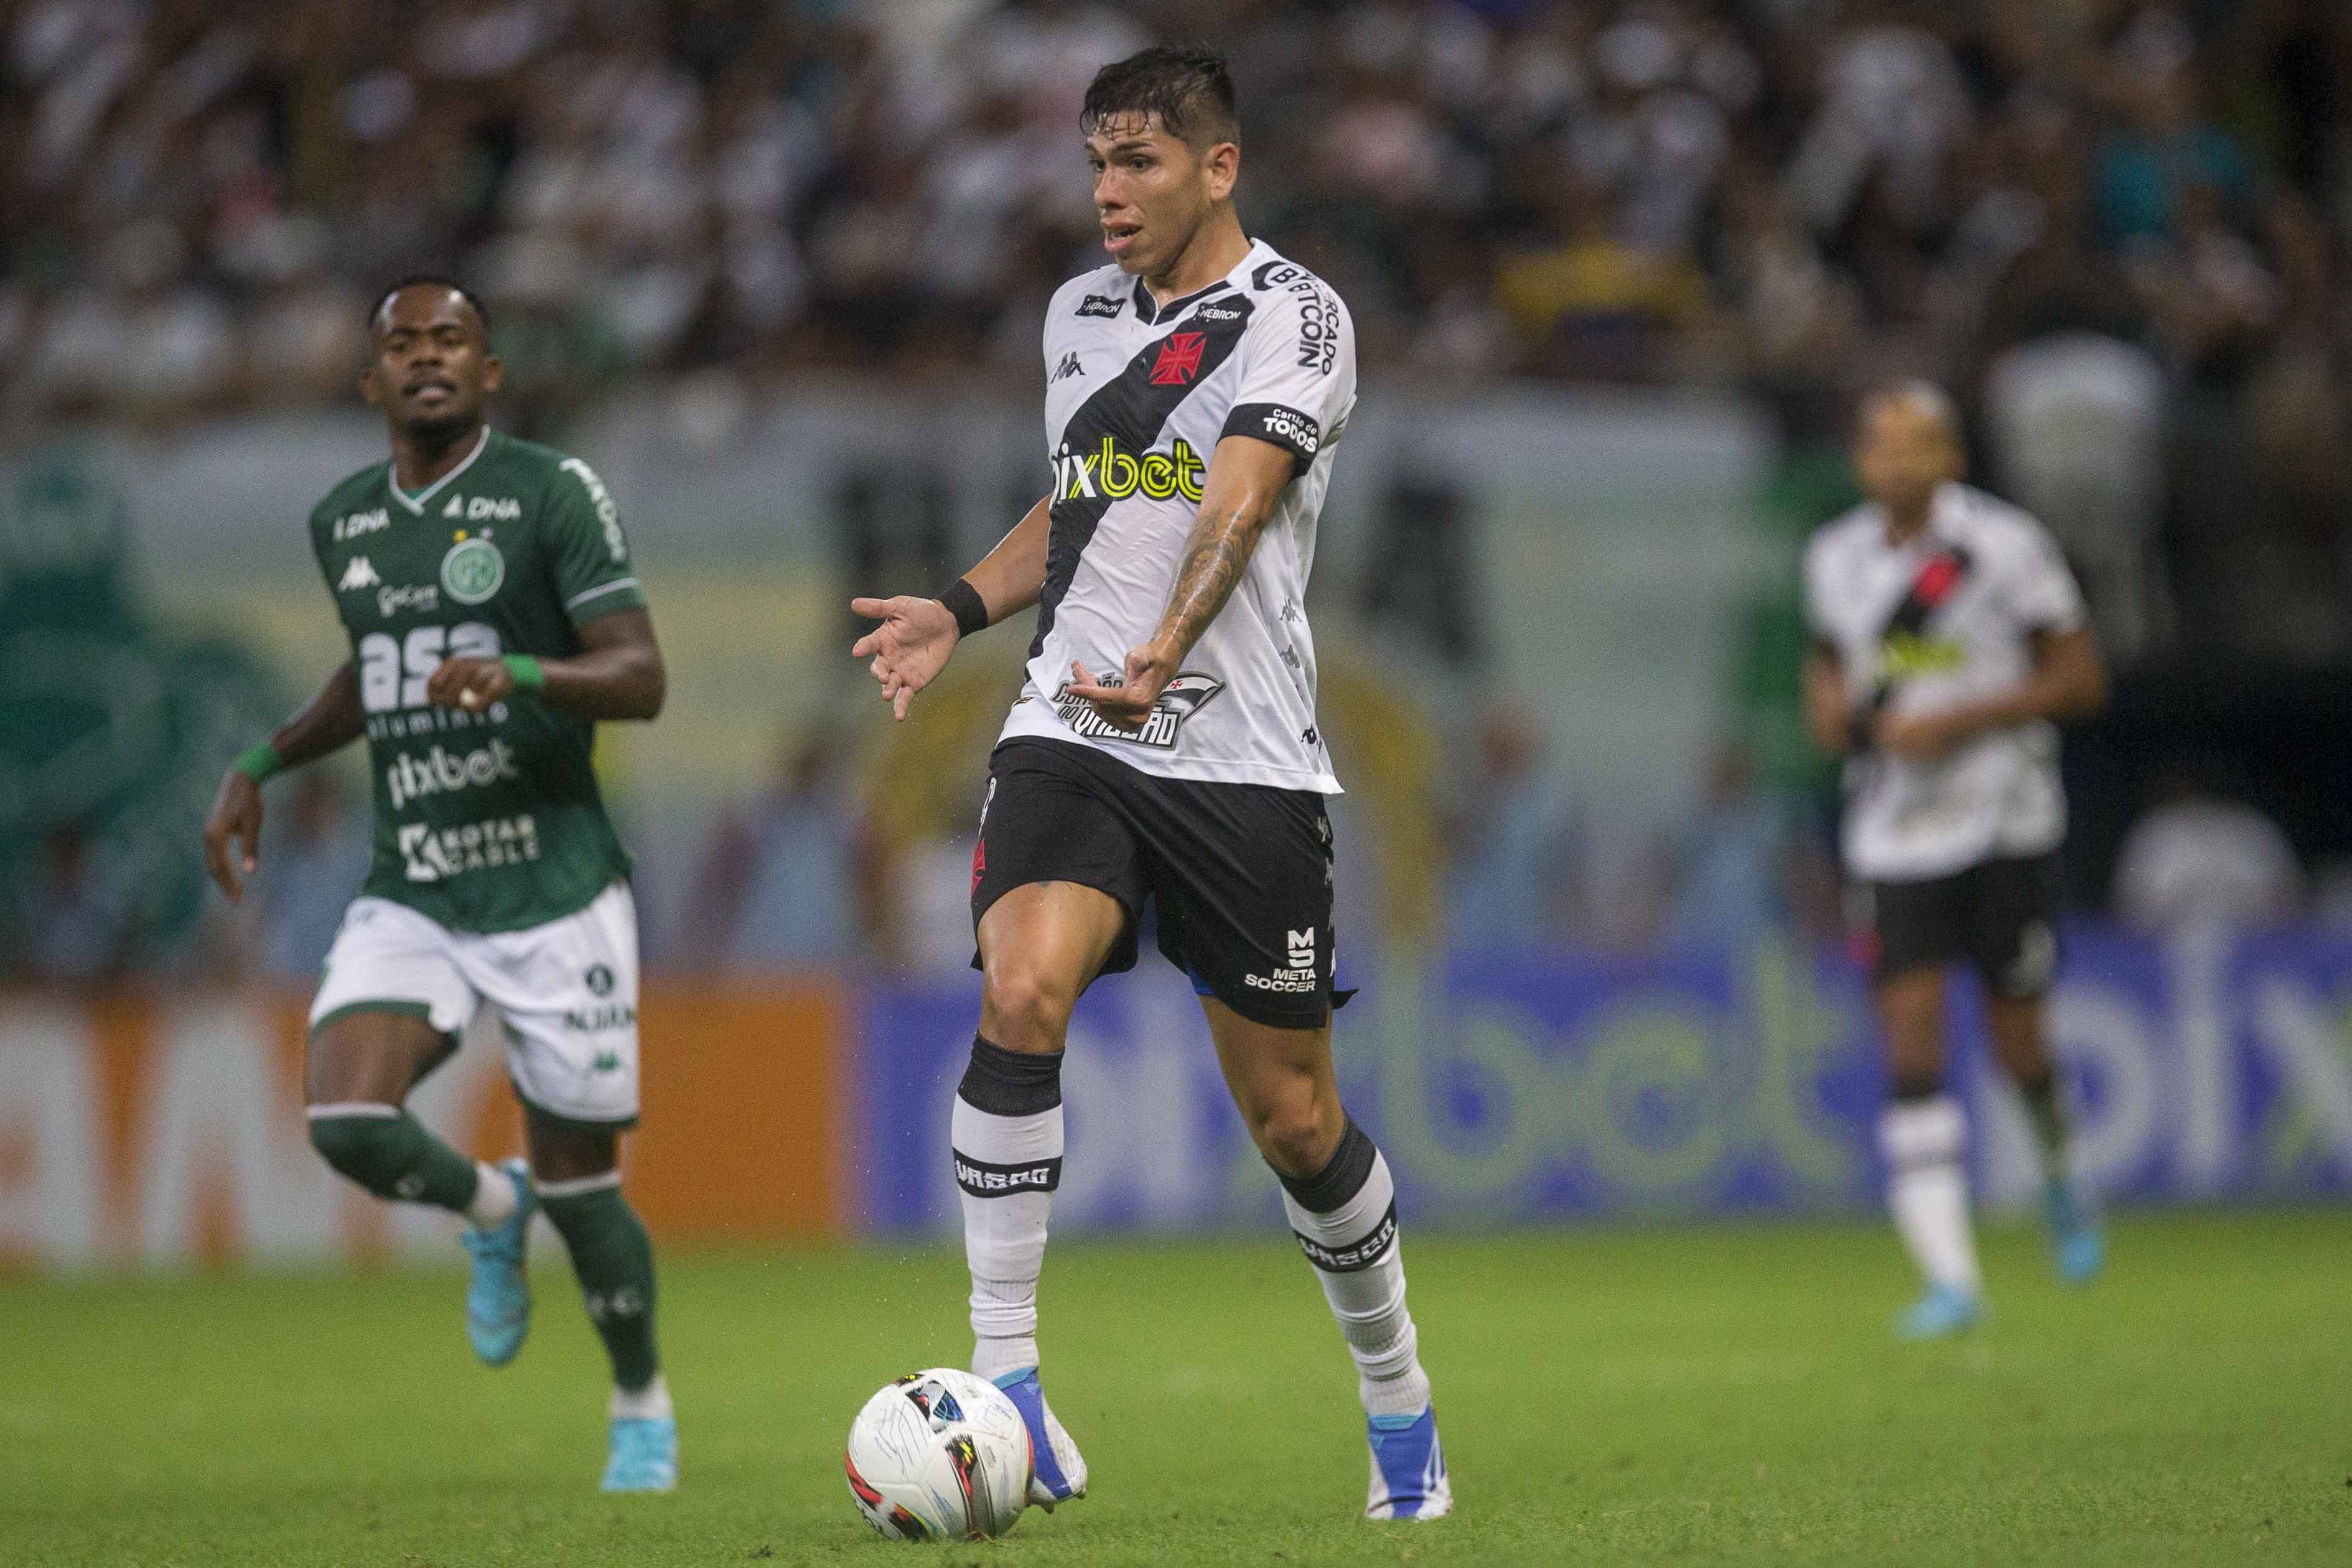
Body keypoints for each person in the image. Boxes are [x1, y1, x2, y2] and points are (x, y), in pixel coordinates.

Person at [848, 46, 1447, 1523]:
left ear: (1218, 165)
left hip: (1242, 754)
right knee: (1018, 993)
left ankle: (1398, 1397)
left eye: (1140, 164)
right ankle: (1012, 1388)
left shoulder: (1298, 314)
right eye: (1096, 165)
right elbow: (1084, 500)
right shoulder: (1079, 314)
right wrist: (959, 609)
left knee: (1296, 1121)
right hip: (1073, 724)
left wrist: (1167, 648)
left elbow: (1238, 496)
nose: (1108, 194)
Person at [200, 278, 676, 1490]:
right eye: (402, 345)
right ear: (371, 380)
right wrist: (263, 761)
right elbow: (375, 668)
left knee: (586, 1188)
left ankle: (639, 1398)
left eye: (450, 340)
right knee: (346, 1122)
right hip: (415, 882)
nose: (426, 359)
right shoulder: (345, 521)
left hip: (557, 885)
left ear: (489, 371)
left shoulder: (553, 493)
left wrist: (522, 673)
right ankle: (490, 1212)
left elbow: (639, 675)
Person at [1801, 382, 2110, 1341]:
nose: (1897, 462)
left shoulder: (2006, 547)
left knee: (2020, 1041)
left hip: (2006, 819)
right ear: (1863, 461)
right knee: (1910, 1039)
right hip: (1892, 831)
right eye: (1881, 445)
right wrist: (1837, 716)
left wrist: (1964, 719)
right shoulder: (1834, 557)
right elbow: (1829, 672)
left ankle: (2061, 1172)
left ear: (1953, 458)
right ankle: (1950, 1278)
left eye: (1917, 445)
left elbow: (2081, 679)